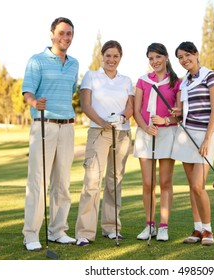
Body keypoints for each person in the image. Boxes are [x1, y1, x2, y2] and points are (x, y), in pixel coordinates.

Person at [22, 17, 79, 251]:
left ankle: (58, 231)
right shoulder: (37, 61)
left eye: (69, 34)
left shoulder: (74, 63)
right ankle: (31, 234)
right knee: (38, 181)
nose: (65, 38)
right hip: (44, 124)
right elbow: (27, 92)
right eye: (61, 33)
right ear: (52, 34)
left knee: (62, 182)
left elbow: (71, 91)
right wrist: (36, 102)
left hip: (67, 126)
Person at [75, 40, 134, 246]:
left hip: (122, 133)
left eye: (116, 56)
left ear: (120, 58)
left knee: (114, 181)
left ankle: (112, 227)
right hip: (98, 132)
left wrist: (122, 119)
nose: (111, 60)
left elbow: (130, 106)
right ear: (102, 56)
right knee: (92, 180)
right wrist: (102, 122)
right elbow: (86, 104)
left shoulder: (126, 80)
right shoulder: (91, 76)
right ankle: (84, 232)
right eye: (108, 55)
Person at [171, 41, 214, 246]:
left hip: (204, 136)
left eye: (187, 55)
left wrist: (207, 139)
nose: (184, 60)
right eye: (180, 58)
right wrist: (178, 112)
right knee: (192, 187)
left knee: (199, 186)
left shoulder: (210, 76)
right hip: (186, 135)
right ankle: (197, 228)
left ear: (196, 54)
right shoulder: (184, 82)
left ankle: (208, 230)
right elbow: (184, 110)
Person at [133, 43, 182, 241]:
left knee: (165, 182)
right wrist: (146, 127)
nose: (154, 62)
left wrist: (165, 120)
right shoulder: (142, 81)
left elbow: (179, 113)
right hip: (146, 134)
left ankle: (163, 226)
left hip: (168, 133)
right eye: (151, 58)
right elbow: (136, 110)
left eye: (158, 57)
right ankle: (149, 225)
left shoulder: (176, 82)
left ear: (166, 57)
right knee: (147, 183)